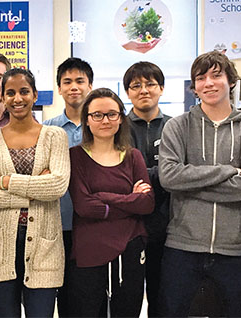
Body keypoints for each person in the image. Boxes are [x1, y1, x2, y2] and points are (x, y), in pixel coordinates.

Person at [158, 51, 241, 317]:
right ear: (194, 87)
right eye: (201, 78)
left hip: (234, 248)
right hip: (182, 245)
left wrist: (191, 183)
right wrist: (228, 171)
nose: (208, 83)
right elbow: (169, 177)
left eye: (216, 75)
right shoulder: (177, 126)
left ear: (231, 81)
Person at [0, 68, 70, 318]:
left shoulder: (55, 136)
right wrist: (35, 191)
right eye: (10, 93)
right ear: (3, 98)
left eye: (24, 91)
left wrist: (4, 181)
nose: (18, 99)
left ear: (35, 95)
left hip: (44, 246)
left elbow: (57, 186)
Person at [66, 88, 154, 317]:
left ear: (121, 119)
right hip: (89, 251)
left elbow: (146, 204)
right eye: (97, 115)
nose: (105, 120)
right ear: (87, 120)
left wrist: (103, 198)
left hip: (129, 250)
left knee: (127, 311)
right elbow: (84, 207)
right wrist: (130, 200)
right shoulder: (75, 156)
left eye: (112, 114)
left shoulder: (133, 156)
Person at [42, 57, 93, 317]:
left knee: (86, 295)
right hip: (56, 224)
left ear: (90, 86)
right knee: (56, 293)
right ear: (59, 88)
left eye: (80, 81)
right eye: (67, 82)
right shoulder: (46, 130)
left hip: (93, 225)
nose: (74, 87)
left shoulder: (102, 126)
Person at [122, 61, 172, 317]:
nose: (144, 90)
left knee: (162, 300)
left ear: (161, 88)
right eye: (136, 85)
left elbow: (178, 176)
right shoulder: (118, 128)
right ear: (127, 92)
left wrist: (150, 176)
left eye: (150, 84)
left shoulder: (176, 127)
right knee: (127, 300)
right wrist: (163, 173)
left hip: (169, 228)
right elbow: (122, 178)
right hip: (129, 228)